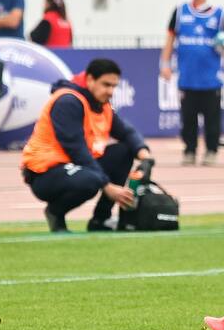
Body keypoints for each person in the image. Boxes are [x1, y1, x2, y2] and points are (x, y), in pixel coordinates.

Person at [21, 59, 154, 233]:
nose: (111, 91)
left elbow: (126, 132)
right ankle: (56, 213)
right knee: (91, 180)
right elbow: (76, 149)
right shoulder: (67, 101)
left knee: (124, 152)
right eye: (106, 85)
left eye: (114, 86)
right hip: (44, 174)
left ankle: (101, 220)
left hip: (74, 166)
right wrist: (107, 186)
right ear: (90, 79)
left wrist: (144, 154)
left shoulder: (101, 104)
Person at [160, 0, 224, 166]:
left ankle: (211, 151)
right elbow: (170, 39)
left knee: (212, 120)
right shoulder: (181, 11)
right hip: (187, 78)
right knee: (188, 119)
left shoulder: (218, 14)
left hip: (210, 79)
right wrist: (165, 64)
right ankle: (189, 151)